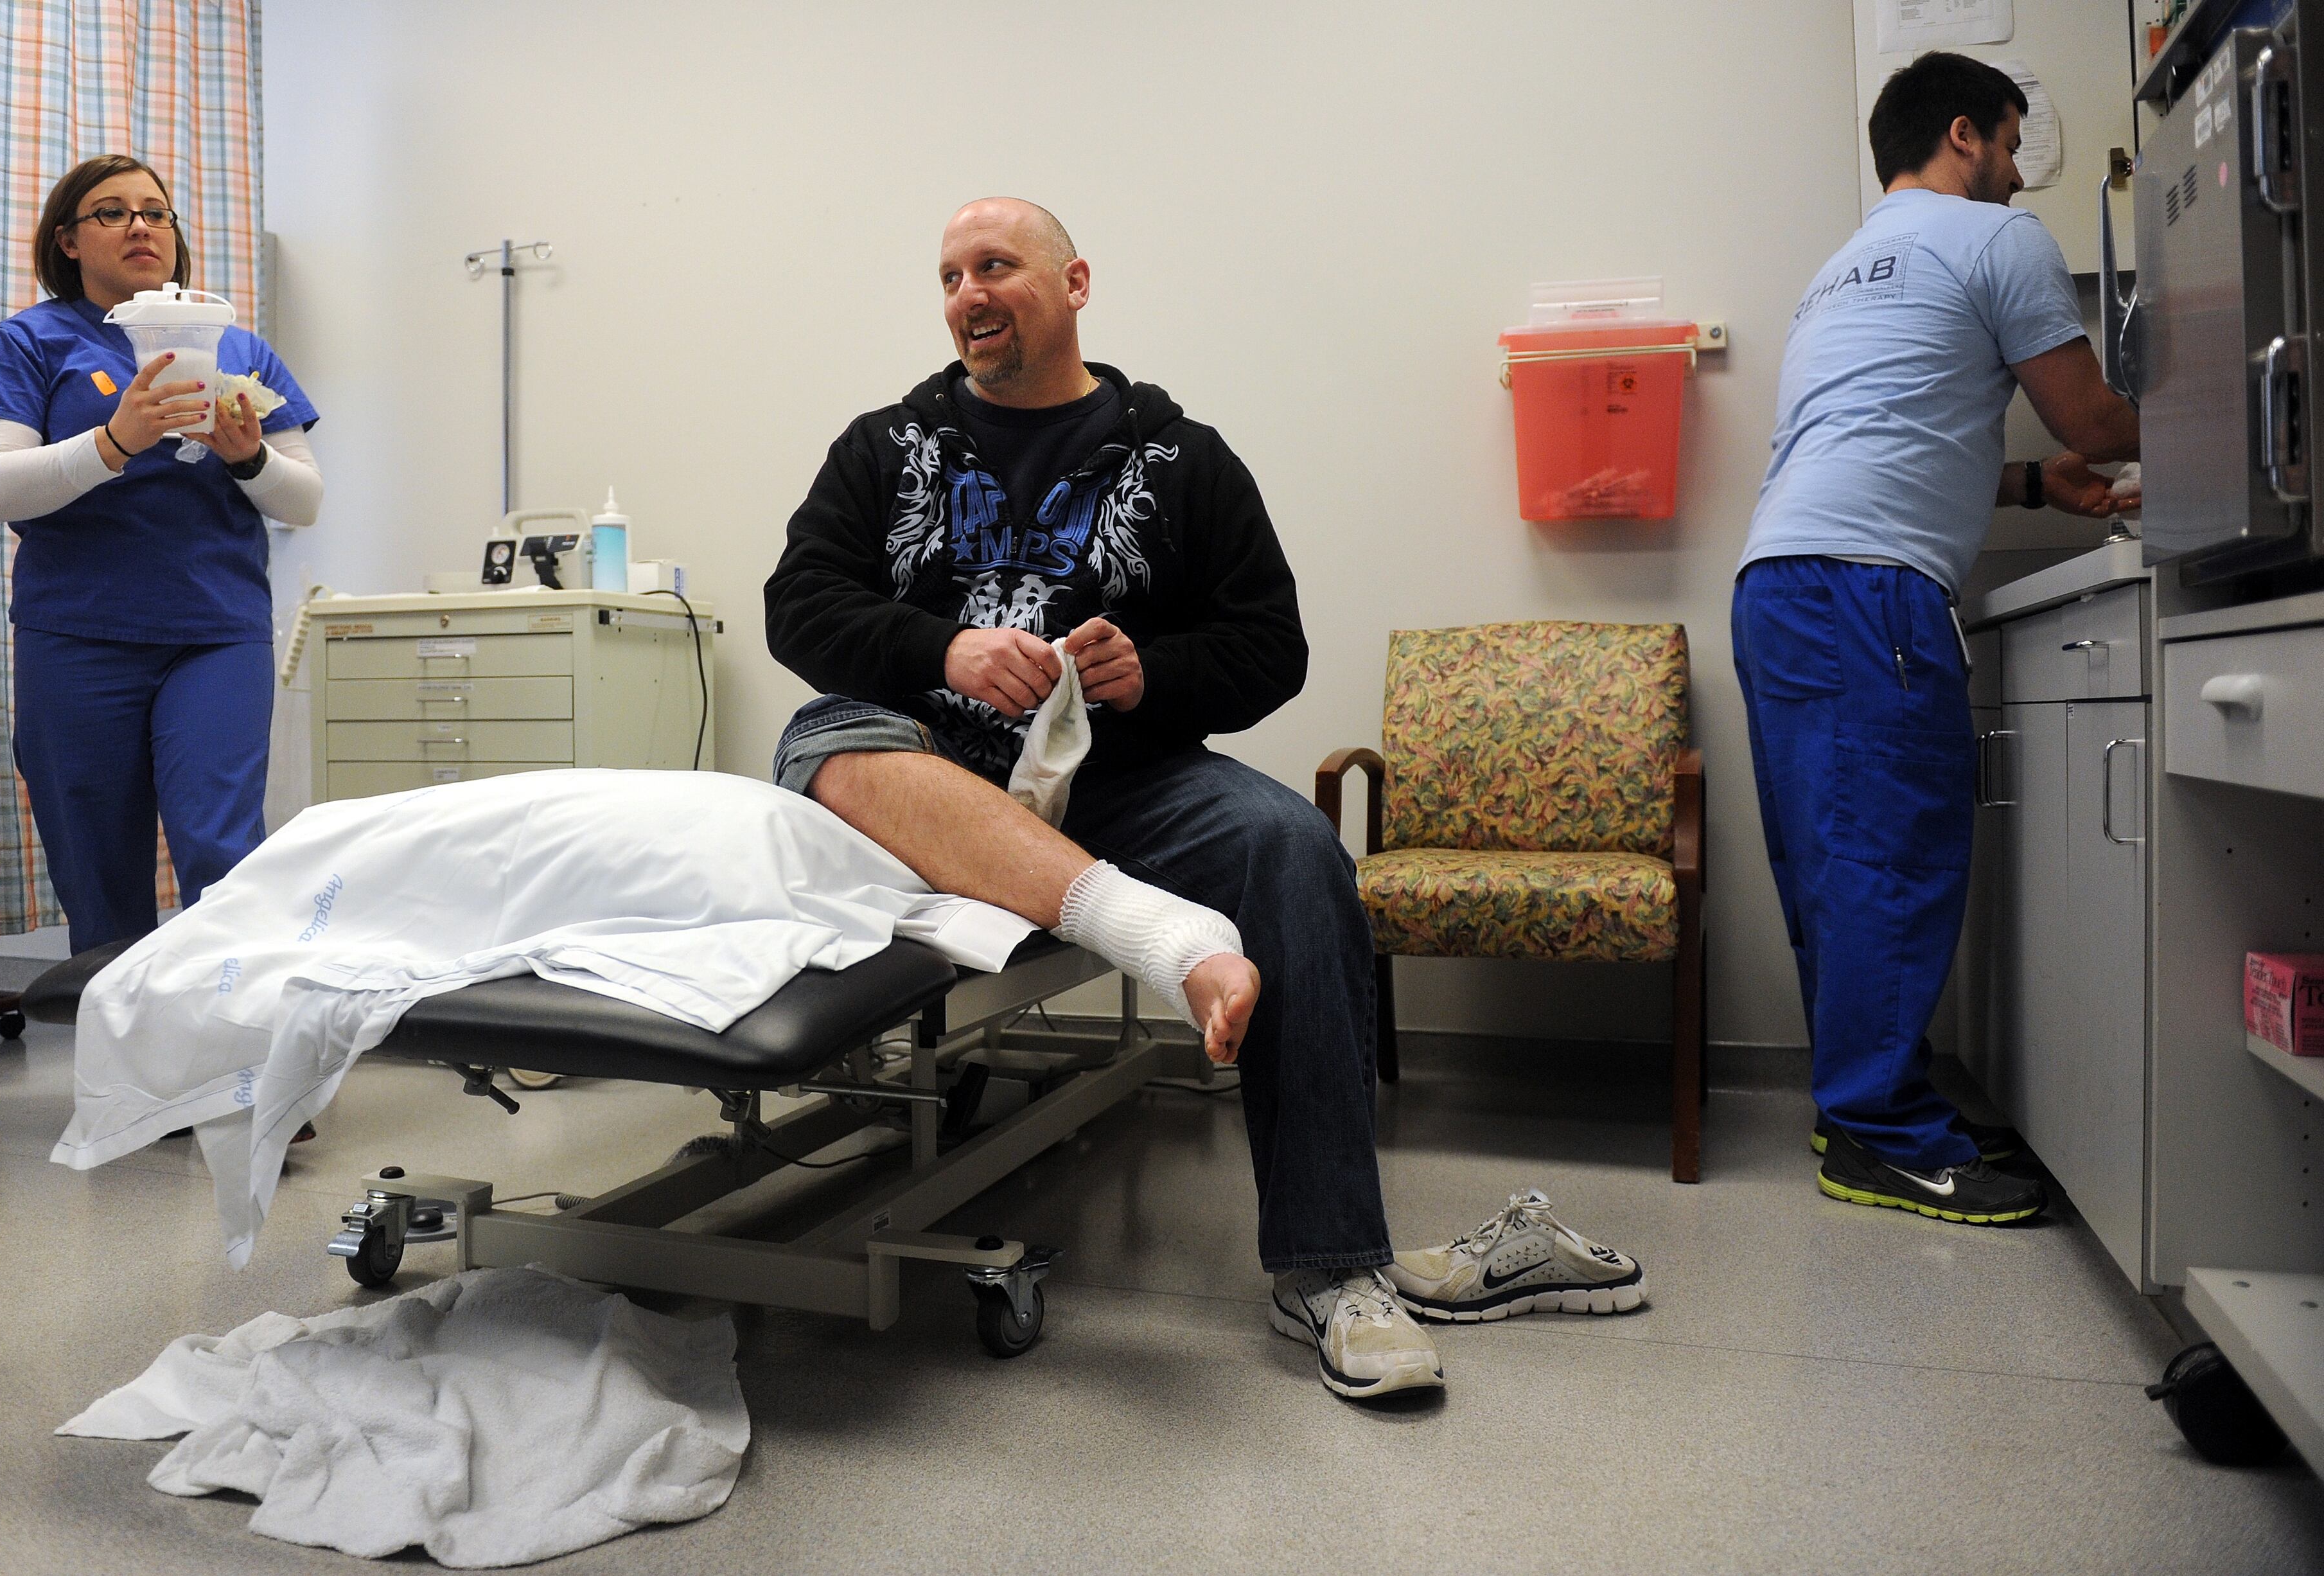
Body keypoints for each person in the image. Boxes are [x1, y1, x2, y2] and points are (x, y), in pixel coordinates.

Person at [766, 197, 1647, 1401]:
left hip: (1119, 783)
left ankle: (1328, 1267)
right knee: (820, 737)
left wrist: (1153, 674)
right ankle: (1153, 932)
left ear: (1075, 283)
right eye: (950, 276)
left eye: (996, 266)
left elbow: (1270, 647)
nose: (968, 293)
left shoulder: (1187, 460)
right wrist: (945, 648)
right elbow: (799, 607)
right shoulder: (884, 447)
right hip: (925, 769)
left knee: (1293, 845)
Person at [1734, 53, 2140, 1225]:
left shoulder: (1840, 271)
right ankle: (1884, 1133)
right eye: (2009, 145)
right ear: (1964, 134)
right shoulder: (1995, 237)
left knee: (1834, 867)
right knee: (1890, 862)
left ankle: (1864, 1107)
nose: (2016, 175)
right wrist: (2235, 410)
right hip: (1867, 592)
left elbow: (1886, 430)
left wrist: (2032, 483)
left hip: (1780, 580)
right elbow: (2091, 414)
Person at [0, 154, 322, 956]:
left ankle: (229, 1024)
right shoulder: (27, 343)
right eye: (112, 212)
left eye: (156, 212)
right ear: (67, 241)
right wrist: (116, 441)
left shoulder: (238, 349)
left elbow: (304, 500)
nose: (141, 226)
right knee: (99, 872)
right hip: (77, 637)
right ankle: (115, 1034)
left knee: (222, 851)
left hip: (215, 634)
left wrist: (248, 456)